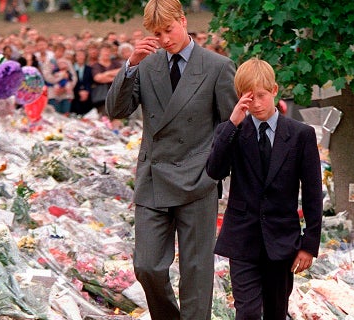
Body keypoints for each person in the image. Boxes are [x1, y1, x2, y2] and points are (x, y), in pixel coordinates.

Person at [104, 0, 237, 318]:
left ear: (182, 19)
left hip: (199, 180)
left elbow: (231, 129)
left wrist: (215, 171)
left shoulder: (218, 66)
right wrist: (131, 64)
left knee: (196, 273)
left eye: (169, 29)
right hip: (153, 178)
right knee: (146, 265)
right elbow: (116, 110)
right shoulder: (147, 65)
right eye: (157, 33)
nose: (164, 39)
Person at [206, 58, 322, 320]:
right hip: (242, 239)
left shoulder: (300, 134)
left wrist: (309, 244)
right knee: (246, 312)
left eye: (261, 96)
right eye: (249, 98)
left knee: (275, 311)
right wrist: (232, 123)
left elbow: (313, 193)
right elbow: (214, 170)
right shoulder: (234, 132)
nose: (256, 103)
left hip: (282, 240)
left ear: (274, 91)